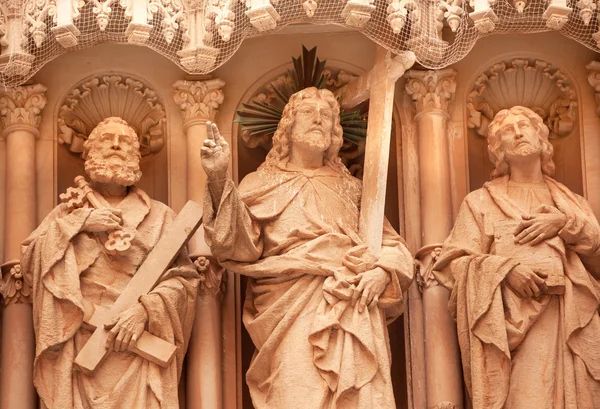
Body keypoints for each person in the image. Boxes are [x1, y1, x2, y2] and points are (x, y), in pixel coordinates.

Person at [201, 87, 414, 408]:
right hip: (290, 309)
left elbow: (393, 245)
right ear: (287, 126)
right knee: (296, 393)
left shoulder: (353, 188)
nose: (318, 119)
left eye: (327, 115)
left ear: (335, 131)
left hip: (351, 304)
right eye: (308, 113)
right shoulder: (259, 184)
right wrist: (218, 177)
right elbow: (236, 246)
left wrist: (383, 272)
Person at [22, 117, 199, 409]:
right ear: (90, 152)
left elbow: (184, 281)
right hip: (77, 343)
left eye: (125, 141)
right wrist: (79, 222)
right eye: (106, 139)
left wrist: (144, 311)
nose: (116, 144)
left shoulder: (161, 217)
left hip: (137, 346)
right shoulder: (66, 213)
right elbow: (31, 262)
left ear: (136, 155)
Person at [433, 106, 600, 408]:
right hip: (514, 326)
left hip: (569, 317)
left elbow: (596, 254)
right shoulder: (481, 201)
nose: (519, 133)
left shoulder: (571, 201)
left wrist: (563, 223)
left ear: (541, 137)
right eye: (508, 131)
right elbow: (453, 262)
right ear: (499, 150)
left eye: (525, 125)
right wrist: (505, 270)